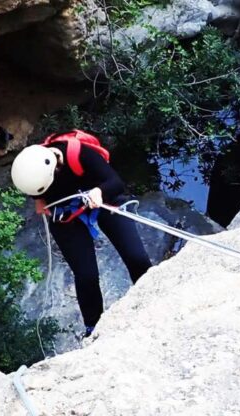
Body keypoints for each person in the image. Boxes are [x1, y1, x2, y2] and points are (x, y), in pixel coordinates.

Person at [10, 130, 152, 338]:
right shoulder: (33, 171)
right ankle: (93, 328)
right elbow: (36, 193)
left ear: (56, 169)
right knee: (86, 276)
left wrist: (99, 192)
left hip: (102, 199)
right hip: (66, 212)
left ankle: (152, 295)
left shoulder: (79, 154)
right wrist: (39, 200)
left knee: (136, 257)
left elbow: (115, 182)